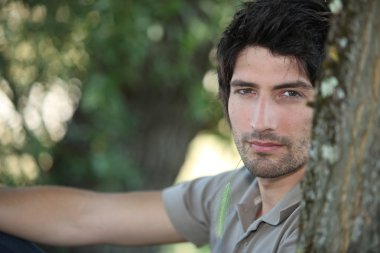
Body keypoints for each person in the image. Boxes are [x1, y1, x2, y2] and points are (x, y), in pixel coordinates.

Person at [0, 0, 330, 252]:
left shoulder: (327, 219)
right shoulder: (234, 192)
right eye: (246, 91)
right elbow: (83, 217)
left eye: (290, 93)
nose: (261, 121)